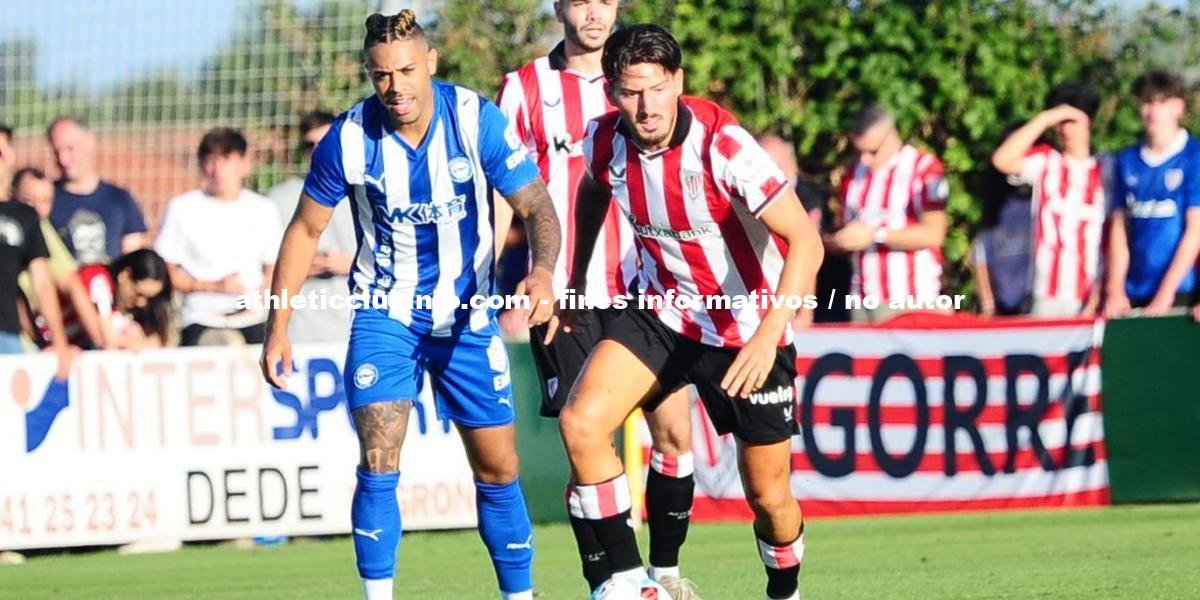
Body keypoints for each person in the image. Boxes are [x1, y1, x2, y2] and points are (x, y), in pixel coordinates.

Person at [258, 11, 560, 600]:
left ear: (430, 63)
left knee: (499, 469)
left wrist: (543, 272)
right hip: (386, 316)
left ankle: (519, 596)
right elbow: (304, 231)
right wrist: (278, 326)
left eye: (405, 71)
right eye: (381, 75)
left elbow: (536, 206)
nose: (395, 86)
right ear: (369, 75)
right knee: (379, 457)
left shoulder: (474, 119)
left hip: (468, 318)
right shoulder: (348, 139)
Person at [557, 25, 823, 600]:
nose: (646, 106)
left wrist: (768, 334)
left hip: (745, 329)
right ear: (612, 91)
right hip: (663, 312)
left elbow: (807, 241)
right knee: (581, 423)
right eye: (631, 92)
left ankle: (785, 592)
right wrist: (575, 279)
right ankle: (631, 584)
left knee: (769, 497)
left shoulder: (723, 147)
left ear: (678, 81)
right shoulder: (603, 140)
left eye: (657, 88)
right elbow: (593, 191)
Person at [496, 3, 701, 596]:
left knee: (674, 432)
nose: (593, 11)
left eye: (604, 0)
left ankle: (667, 575)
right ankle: (609, 583)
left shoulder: (646, 79)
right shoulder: (524, 88)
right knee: (587, 441)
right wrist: (490, 281)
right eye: (580, 0)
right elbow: (500, 191)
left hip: (650, 289)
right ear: (558, 6)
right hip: (567, 294)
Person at [155, 127, 282, 346]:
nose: (218, 170)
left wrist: (262, 295)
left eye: (226, 160)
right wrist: (213, 287)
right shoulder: (182, 208)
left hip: (253, 320)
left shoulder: (264, 209)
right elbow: (165, 271)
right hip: (201, 320)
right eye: (211, 161)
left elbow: (275, 267)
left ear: (244, 164)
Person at [992, 82, 1108, 318]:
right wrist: (1045, 118)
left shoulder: (1108, 168)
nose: (1065, 129)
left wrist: (1101, 293)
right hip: (1046, 295)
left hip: (1092, 294)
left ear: (1089, 121)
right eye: (1060, 122)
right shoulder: (1046, 161)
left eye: (1072, 121)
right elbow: (1002, 160)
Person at [829, 105, 949, 322]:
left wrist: (876, 235)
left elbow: (934, 234)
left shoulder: (923, 168)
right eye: (859, 151)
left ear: (891, 134)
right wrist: (840, 241)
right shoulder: (852, 175)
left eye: (873, 151)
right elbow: (849, 229)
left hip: (911, 299)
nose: (865, 160)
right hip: (862, 300)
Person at [1105, 70, 1200, 317]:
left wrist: (1166, 292)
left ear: (1179, 106)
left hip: (1181, 290)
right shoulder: (1126, 160)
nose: (1153, 111)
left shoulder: (1193, 157)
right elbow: (1120, 230)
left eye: (1162, 102)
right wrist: (1115, 289)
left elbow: (1195, 231)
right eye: (1147, 102)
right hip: (1134, 290)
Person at [268, 111, 358, 344]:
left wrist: (351, 264)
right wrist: (299, 264)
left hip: (358, 323)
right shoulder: (278, 199)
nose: (318, 150)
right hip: (301, 329)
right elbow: (262, 265)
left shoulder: (369, 192)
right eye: (310, 145)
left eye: (325, 142)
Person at [12, 167, 108, 349]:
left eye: (45, 201)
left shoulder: (42, 227)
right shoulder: (16, 226)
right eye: (29, 200)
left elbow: (71, 284)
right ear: (12, 196)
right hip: (16, 339)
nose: (37, 209)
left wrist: (101, 343)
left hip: (36, 339)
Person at [46, 116, 147, 265]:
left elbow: (134, 258)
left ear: (89, 142)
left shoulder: (120, 199)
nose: (63, 159)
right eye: (57, 151)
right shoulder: (46, 201)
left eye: (70, 149)